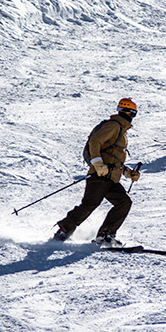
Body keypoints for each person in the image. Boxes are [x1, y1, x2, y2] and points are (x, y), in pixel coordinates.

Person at [53, 98, 141, 248]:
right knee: (89, 204)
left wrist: (128, 173)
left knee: (124, 202)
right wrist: (98, 164)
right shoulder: (114, 126)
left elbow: (115, 159)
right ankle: (64, 229)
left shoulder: (121, 131)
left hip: (111, 178)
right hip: (99, 176)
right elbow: (95, 141)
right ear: (132, 113)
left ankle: (105, 235)